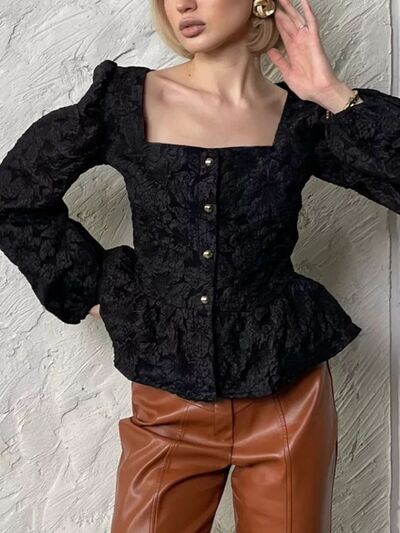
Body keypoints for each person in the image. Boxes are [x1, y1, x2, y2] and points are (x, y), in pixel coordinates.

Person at [0, 0, 399, 531]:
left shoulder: (303, 117)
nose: (182, 3)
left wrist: (332, 93)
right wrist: (94, 292)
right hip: (167, 402)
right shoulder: (125, 102)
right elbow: (15, 198)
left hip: (287, 400)